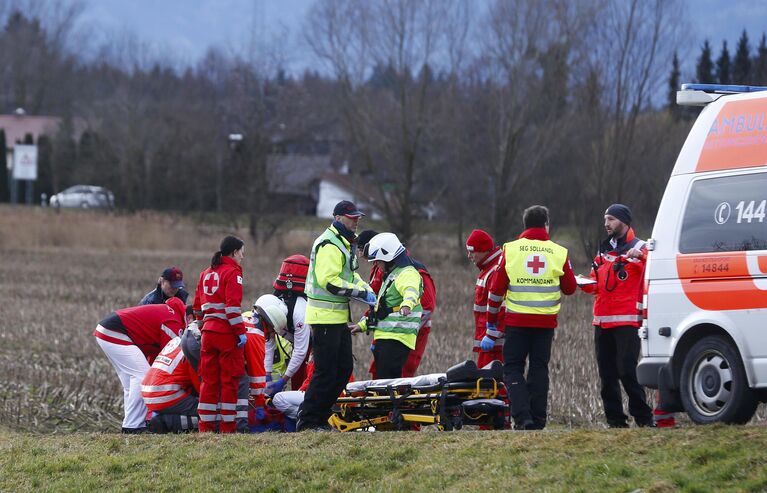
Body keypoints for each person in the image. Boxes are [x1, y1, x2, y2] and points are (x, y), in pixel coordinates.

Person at [486, 205, 577, 430]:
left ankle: (522, 417)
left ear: (524, 224)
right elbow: (570, 288)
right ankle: (538, 420)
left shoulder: (511, 250)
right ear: (546, 224)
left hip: (516, 322)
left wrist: (490, 321)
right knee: (539, 369)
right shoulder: (559, 252)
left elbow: (496, 290)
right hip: (545, 324)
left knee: (513, 368)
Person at [297, 200, 375, 431]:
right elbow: (329, 281)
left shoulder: (343, 242)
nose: (357, 220)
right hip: (324, 318)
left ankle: (320, 417)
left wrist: (368, 289)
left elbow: (349, 275)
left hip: (337, 318)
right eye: (352, 217)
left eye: (358, 216)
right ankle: (309, 420)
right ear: (338, 217)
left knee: (342, 370)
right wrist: (360, 292)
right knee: (325, 371)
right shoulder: (329, 243)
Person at [579, 204, 654, 428]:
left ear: (623, 221)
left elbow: (655, 271)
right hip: (602, 320)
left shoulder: (642, 247)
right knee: (607, 374)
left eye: (611, 219)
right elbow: (597, 285)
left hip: (628, 321)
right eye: (605, 219)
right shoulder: (603, 251)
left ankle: (643, 417)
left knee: (627, 371)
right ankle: (615, 420)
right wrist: (583, 283)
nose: (606, 224)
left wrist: (640, 257)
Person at [93, 297, 187, 433]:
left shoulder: (171, 313)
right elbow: (170, 357)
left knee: (130, 383)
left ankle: (130, 423)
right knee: (142, 377)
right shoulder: (173, 322)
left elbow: (156, 355)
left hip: (107, 330)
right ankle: (133, 426)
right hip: (115, 332)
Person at [357, 230, 436, 379]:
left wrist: (404, 328)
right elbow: (381, 304)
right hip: (387, 332)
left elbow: (426, 305)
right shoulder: (384, 269)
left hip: (402, 334)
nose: (360, 254)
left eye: (361, 249)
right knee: (379, 375)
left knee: (399, 377)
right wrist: (367, 323)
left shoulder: (410, 272)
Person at [192, 235, 247, 433]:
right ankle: (227, 429)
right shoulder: (233, 273)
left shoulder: (205, 273)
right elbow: (232, 308)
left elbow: (197, 307)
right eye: (241, 253)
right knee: (229, 381)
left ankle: (204, 429)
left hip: (208, 333)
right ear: (233, 252)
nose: (242, 257)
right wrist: (240, 332)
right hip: (226, 334)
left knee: (208, 381)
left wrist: (202, 326)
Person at [142, 326, 202, 433]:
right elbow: (199, 387)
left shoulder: (176, 340)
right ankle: (166, 423)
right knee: (207, 413)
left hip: (149, 391)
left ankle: (159, 418)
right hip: (165, 394)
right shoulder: (193, 347)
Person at [266, 255, 312, 391]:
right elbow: (269, 342)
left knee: (310, 388)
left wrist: (283, 380)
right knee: (297, 384)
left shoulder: (299, 312)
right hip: (298, 345)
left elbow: (301, 351)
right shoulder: (271, 307)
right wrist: (267, 373)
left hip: (316, 346)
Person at [466, 229, 505, 367]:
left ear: (484, 251)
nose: (469, 255)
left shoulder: (495, 271)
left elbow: (502, 306)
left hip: (496, 344)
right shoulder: (487, 269)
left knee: (493, 385)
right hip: (489, 341)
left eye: (472, 251)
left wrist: (492, 334)